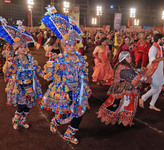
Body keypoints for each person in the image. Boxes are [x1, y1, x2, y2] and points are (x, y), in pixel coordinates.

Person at [41, 7, 91, 144]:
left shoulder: (80, 59)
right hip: (65, 92)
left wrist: (86, 87)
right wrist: (52, 63)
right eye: (69, 45)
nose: (72, 47)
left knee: (79, 113)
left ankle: (69, 134)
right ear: (63, 46)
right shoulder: (59, 59)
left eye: (74, 44)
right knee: (65, 113)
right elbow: (50, 76)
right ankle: (56, 120)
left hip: (79, 91)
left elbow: (84, 75)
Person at [0, 20, 44, 130]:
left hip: (30, 85)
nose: (24, 49)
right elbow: (8, 72)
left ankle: (23, 120)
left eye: (25, 47)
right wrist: (9, 62)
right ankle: (16, 120)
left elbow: (36, 68)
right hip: (19, 86)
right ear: (16, 49)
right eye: (21, 47)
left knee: (29, 105)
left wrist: (45, 75)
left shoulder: (29, 58)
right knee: (22, 105)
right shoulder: (13, 60)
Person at [97, 51, 151, 126]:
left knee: (125, 105)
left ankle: (124, 120)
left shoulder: (127, 65)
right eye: (128, 57)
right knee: (123, 105)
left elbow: (133, 71)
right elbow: (134, 77)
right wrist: (147, 79)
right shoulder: (122, 68)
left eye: (130, 56)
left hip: (126, 88)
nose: (130, 58)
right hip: (123, 90)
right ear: (123, 58)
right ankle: (116, 119)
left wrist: (140, 70)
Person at [139, 33, 164, 112]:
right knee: (155, 88)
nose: (163, 41)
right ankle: (143, 98)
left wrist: (163, 62)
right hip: (154, 71)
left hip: (159, 70)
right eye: (162, 39)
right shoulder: (153, 48)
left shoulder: (158, 47)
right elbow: (152, 60)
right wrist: (163, 58)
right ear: (159, 40)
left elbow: (158, 59)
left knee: (159, 88)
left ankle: (152, 104)